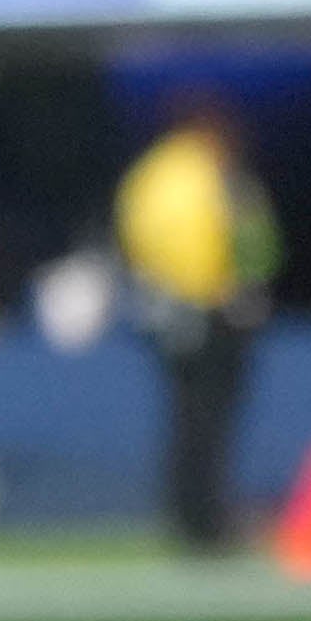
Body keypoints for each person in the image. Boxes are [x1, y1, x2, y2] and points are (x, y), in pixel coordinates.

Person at [115, 87, 272, 556]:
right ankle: (205, 520)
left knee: (185, 420)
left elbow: (134, 239)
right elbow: (239, 242)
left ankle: (186, 516)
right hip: (210, 311)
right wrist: (226, 289)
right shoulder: (208, 175)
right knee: (208, 424)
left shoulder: (149, 175)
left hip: (165, 311)